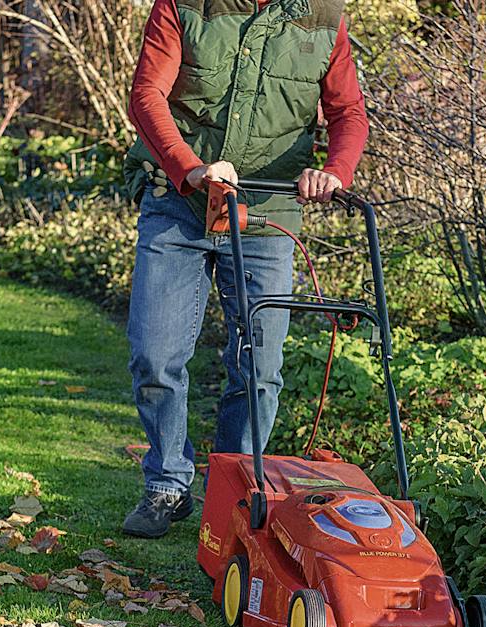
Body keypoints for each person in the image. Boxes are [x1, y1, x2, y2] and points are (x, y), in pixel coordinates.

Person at [118, 0, 370, 538]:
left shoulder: (323, 19)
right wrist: (190, 168)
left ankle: (230, 496)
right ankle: (167, 483)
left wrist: (334, 171)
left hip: (267, 214)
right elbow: (147, 96)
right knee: (155, 354)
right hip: (179, 202)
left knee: (259, 370)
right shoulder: (185, 7)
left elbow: (347, 112)